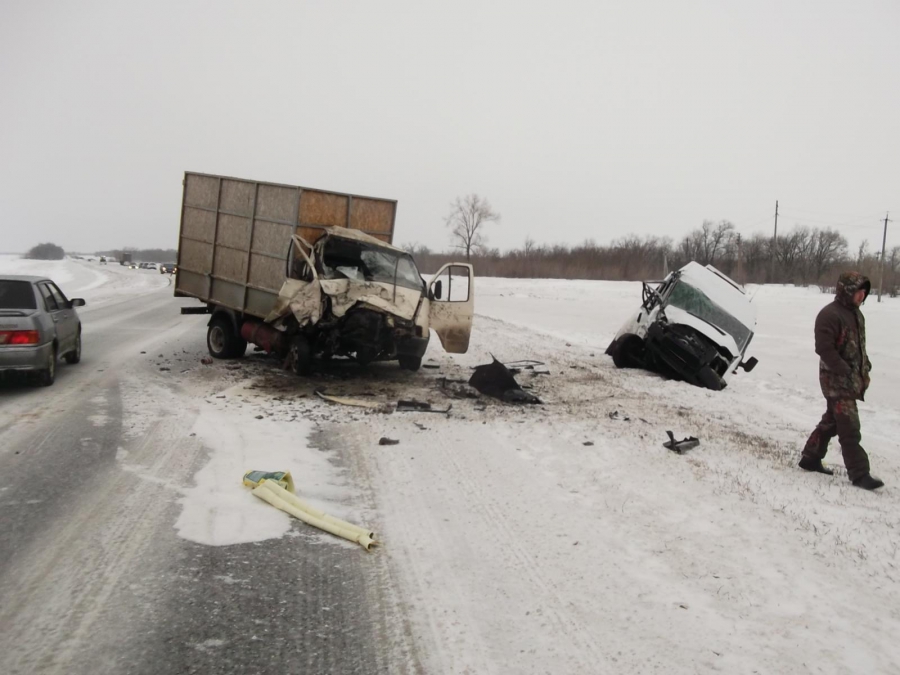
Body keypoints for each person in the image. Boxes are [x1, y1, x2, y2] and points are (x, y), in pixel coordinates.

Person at [800, 271, 883, 490]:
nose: (862, 296)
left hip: (850, 380)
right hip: (835, 381)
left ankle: (810, 457)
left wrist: (865, 368)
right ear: (847, 290)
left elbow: (858, 348)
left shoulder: (856, 315)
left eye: (864, 292)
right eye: (858, 291)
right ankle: (859, 473)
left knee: (833, 421)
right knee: (849, 426)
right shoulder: (829, 314)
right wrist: (844, 370)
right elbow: (824, 348)